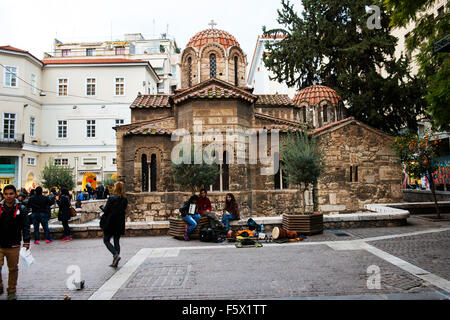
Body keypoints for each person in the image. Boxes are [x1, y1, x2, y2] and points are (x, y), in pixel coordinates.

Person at [0, 185, 31, 300]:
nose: (8, 196)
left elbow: (25, 226)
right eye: (6, 194)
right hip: (0, 244)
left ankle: (11, 290)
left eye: (11, 194)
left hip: (14, 244)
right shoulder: (0, 208)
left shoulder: (21, 209)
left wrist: (26, 241)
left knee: (13, 269)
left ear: (15, 195)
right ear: (3, 195)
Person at [101, 181, 127, 268]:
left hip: (110, 222)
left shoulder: (111, 198)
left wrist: (101, 207)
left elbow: (106, 210)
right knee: (116, 241)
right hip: (120, 222)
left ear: (115, 188)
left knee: (106, 240)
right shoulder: (124, 199)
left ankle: (115, 255)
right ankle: (115, 261)